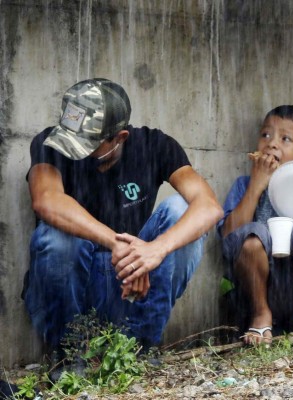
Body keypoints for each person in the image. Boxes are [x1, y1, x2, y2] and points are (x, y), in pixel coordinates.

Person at [24, 79, 223, 360]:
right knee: (57, 236)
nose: (73, 151)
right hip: (76, 292)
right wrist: (120, 245)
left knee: (182, 210)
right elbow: (46, 200)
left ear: (121, 137)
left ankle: (139, 346)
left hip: (131, 292)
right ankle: (69, 353)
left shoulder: (154, 145)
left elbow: (209, 207)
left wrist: (155, 250)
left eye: (87, 144)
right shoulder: (48, 145)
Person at [218, 105, 293, 344]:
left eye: (285, 139)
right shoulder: (245, 184)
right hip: (251, 296)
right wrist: (257, 185)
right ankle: (261, 314)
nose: (272, 144)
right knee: (254, 235)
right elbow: (228, 239)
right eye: (266, 135)